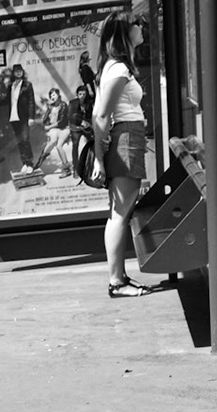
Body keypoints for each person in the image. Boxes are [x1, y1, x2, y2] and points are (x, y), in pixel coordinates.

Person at [92, 14, 157, 297]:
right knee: (120, 213)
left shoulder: (114, 67)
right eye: (137, 24)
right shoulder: (118, 70)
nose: (142, 28)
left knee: (119, 212)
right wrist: (97, 156)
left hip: (127, 137)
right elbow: (101, 114)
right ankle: (116, 281)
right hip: (126, 138)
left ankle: (119, 277)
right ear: (124, 31)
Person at [6, 66, 36, 172]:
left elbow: (31, 101)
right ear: (13, 73)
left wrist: (31, 117)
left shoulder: (27, 85)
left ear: (23, 72)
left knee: (25, 139)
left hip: (24, 117)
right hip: (13, 117)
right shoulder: (11, 85)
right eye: (16, 71)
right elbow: (7, 100)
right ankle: (24, 162)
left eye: (20, 71)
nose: (18, 73)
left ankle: (30, 164)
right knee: (19, 141)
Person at [40, 88, 72, 177]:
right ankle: (41, 158)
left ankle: (66, 169)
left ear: (58, 95)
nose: (52, 97)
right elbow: (45, 119)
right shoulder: (50, 106)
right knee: (52, 142)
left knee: (58, 146)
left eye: (54, 94)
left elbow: (62, 121)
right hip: (54, 128)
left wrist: (49, 126)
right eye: (51, 95)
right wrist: (45, 121)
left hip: (63, 128)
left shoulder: (64, 105)